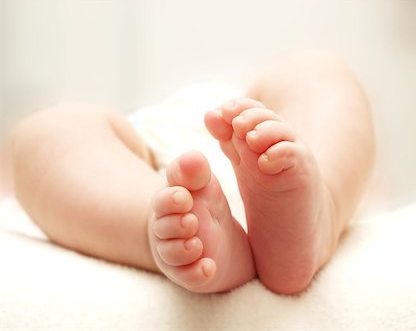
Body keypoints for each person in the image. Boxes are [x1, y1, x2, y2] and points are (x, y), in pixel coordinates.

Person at [11, 52, 375, 295]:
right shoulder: (126, 143)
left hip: (270, 140)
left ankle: (320, 208)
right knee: (44, 131)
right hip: (149, 176)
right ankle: (156, 226)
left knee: (314, 71)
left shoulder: (266, 113)